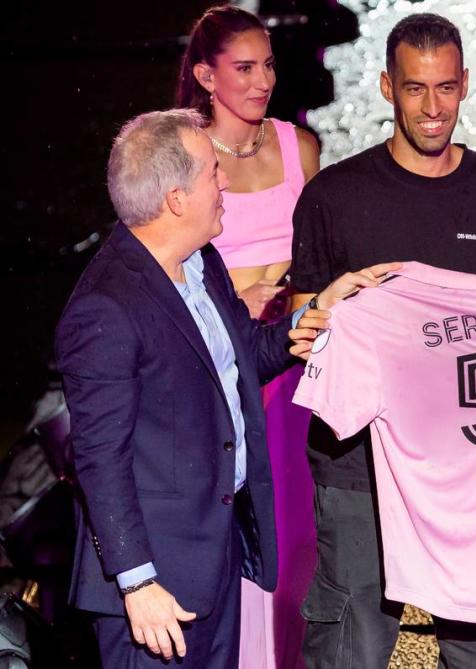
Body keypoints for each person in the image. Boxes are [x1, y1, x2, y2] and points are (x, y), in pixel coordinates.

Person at [54, 108, 393, 667]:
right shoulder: (105, 309)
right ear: (177, 199)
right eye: (213, 171)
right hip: (155, 593)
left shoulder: (201, 261)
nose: (226, 183)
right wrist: (138, 586)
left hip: (214, 557)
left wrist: (310, 317)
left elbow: (241, 359)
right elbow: (99, 462)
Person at [290, 12, 476, 669]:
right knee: (351, 641)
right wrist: (323, 310)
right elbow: (299, 326)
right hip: (356, 464)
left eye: (445, 88)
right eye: (415, 88)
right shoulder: (332, 196)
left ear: (466, 85)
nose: (432, 107)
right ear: (385, 87)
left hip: (468, 467)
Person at [177, 6, 320, 667]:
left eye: (267, 64)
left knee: (291, 535)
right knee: (229, 525)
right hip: (216, 369)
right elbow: (163, 269)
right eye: (243, 67)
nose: (261, 79)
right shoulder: (182, 152)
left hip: (290, 367)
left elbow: (323, 258)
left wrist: (296, 300)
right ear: (207, 75)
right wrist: (236, 301)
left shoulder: (299, 145)